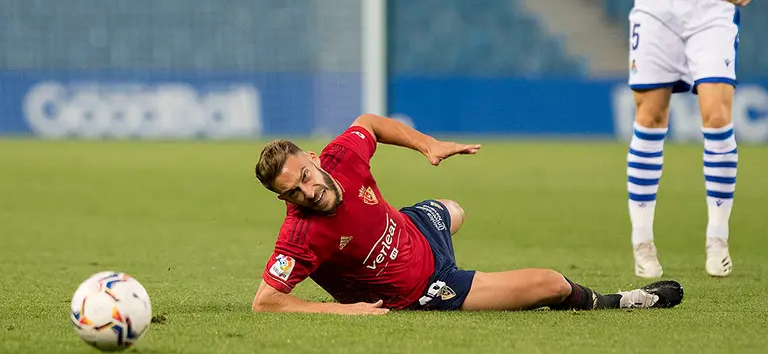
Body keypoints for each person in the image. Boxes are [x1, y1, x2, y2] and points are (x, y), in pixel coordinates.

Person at [250, 114, 683, 314]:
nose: (310, 191)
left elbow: (371, 123)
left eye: (307, 175)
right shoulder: (301, 236)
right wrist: (345, 311)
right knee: (550, 282)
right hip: (423, 288)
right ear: (283, 198)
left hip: (413, 231)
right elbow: (266, 302)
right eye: (294, 192)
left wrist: (428, 144)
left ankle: (424, 223)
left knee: (455, 209)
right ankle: (618, 302)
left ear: (313, 157)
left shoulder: (341, 156)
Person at [610, 0, 768, 278]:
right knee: (649, 117)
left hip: (715, 3)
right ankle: (642, 241)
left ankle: (717, 236)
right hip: (655, 4)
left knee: (717, 114)